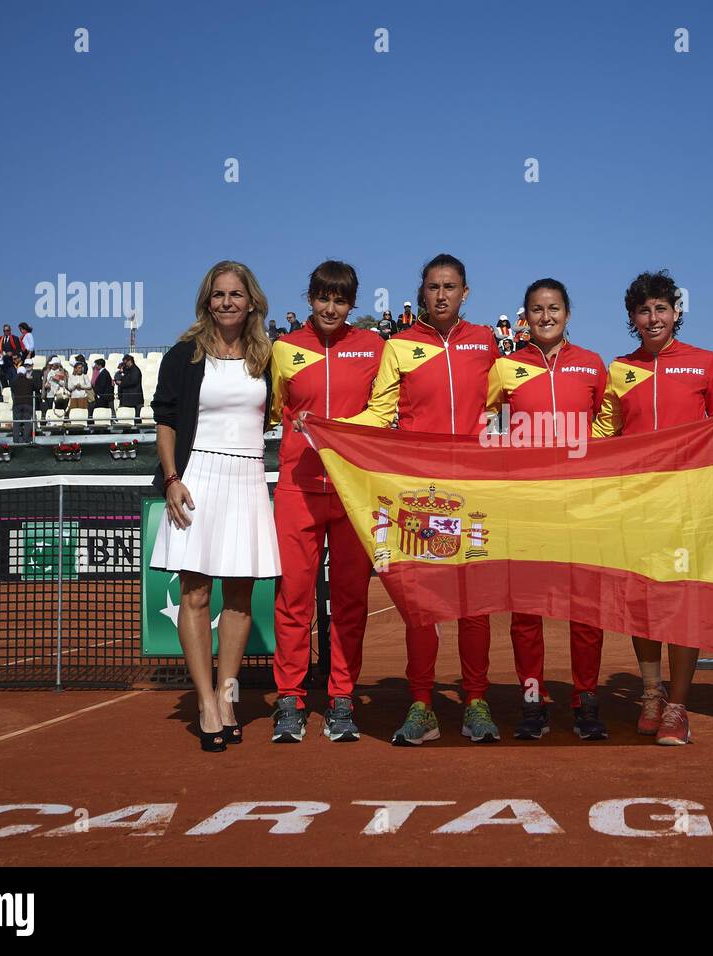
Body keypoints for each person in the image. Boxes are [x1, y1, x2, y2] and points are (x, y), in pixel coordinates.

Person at [344, 254, 502, 745]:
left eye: (450, 286)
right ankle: (421, 705)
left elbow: (505, 404)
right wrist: (331, 430)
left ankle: (476, 702)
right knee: (423, 605)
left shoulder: (485, 343)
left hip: (474, 492)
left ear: (465, 292)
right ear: (423, 291)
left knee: (476, 604)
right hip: (419, 495)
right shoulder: (401, 345)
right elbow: (380, 411)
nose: (441, 295)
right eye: (433, 286)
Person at [595, 270, 713, 745]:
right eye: (644, 310)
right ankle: (651, 693)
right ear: (632, 318)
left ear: (676, 312)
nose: (653, 317)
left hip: (689, 509)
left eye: (662, 308)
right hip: (638, 506)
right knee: (642, 604)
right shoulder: (618, 368)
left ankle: (678, 706)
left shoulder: (703, 363)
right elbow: (604, 434)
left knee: (683, 605)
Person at [150, 260, 280, 752]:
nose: (227, 302)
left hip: (248, 477)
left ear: (252, 301)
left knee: (241, 599)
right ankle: (205, 700)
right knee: (196, 595)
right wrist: (172, 479)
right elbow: (165, 421)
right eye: (219, 294)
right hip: (197, 478)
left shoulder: (268, 356)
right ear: (208, 300)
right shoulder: (183, 355)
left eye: (236, 294)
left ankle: (229, 695)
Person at [486, 278, 610, 741]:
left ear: (568, 313)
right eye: (536, 310)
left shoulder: (594, 366)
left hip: (581, 506)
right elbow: (486, 429)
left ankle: (586, 700)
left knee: (586, 610)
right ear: (525, 317)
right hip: (528, 506)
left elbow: (608, 431)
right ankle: (532, 699)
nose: (545, 317)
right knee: (525, 613)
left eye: (554, 308)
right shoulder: (506, 368)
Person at [268, 260, 384, 745]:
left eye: (340, 299)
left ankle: (341, 697)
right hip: (298, 489)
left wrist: (347, 436)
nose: (331, 307)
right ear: (310, 298)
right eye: (323, 297)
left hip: (355, 492)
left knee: (351, 600)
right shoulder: (284, 349)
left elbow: (384, 408)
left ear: (352, 304)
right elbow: (280, 408)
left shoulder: (374, 348)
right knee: (294, 599)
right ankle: (290, 699)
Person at [9, 356, 36, 444]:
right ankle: (26, 439)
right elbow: (35, 388)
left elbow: (12, 391)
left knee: (16, 423)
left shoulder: (13, 383)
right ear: (24, 373)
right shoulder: (29, 381)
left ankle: (16, 440)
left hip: (17, 404)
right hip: (28, 404)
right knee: (27, 422)